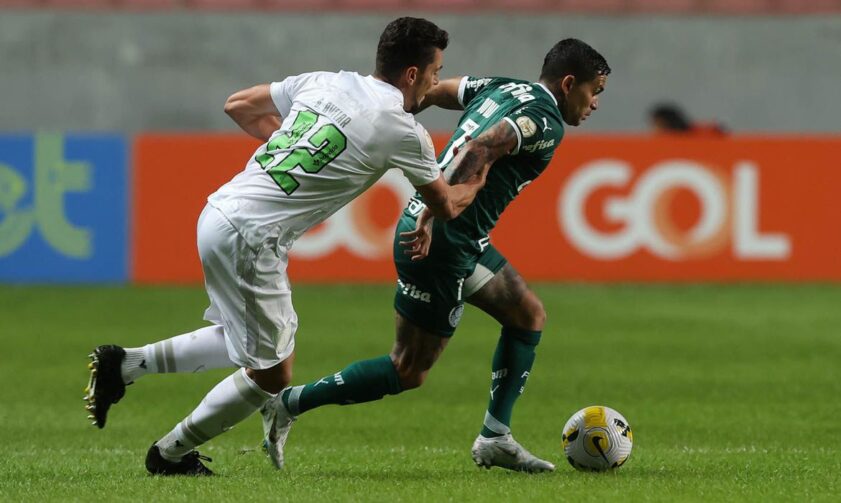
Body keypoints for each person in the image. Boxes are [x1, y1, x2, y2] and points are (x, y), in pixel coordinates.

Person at [84, 17, 491, 476]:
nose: (437, 83)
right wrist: (482, 166)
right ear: (413, 74)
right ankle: (170, 454)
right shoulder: (401, 129)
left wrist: (295, 145)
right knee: (273, 374)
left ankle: (126, 365)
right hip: (254, 237)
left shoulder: (325, 81)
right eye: (436, 71)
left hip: (219, 211)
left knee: (247, 344)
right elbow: (446, 202)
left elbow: (237, 105)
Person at [261, 38, 610, 473]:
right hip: (440, 241)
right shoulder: (544, 119)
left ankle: (495, 437)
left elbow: (440, 89)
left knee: (527, 316)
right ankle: (288, 403)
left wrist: (398, 114)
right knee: (407, 370)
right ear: (569, 82)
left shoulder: (504, 88)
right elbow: (483, 146)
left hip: (462, 240)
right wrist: (433, 209)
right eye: (594, 91)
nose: (595, 103)